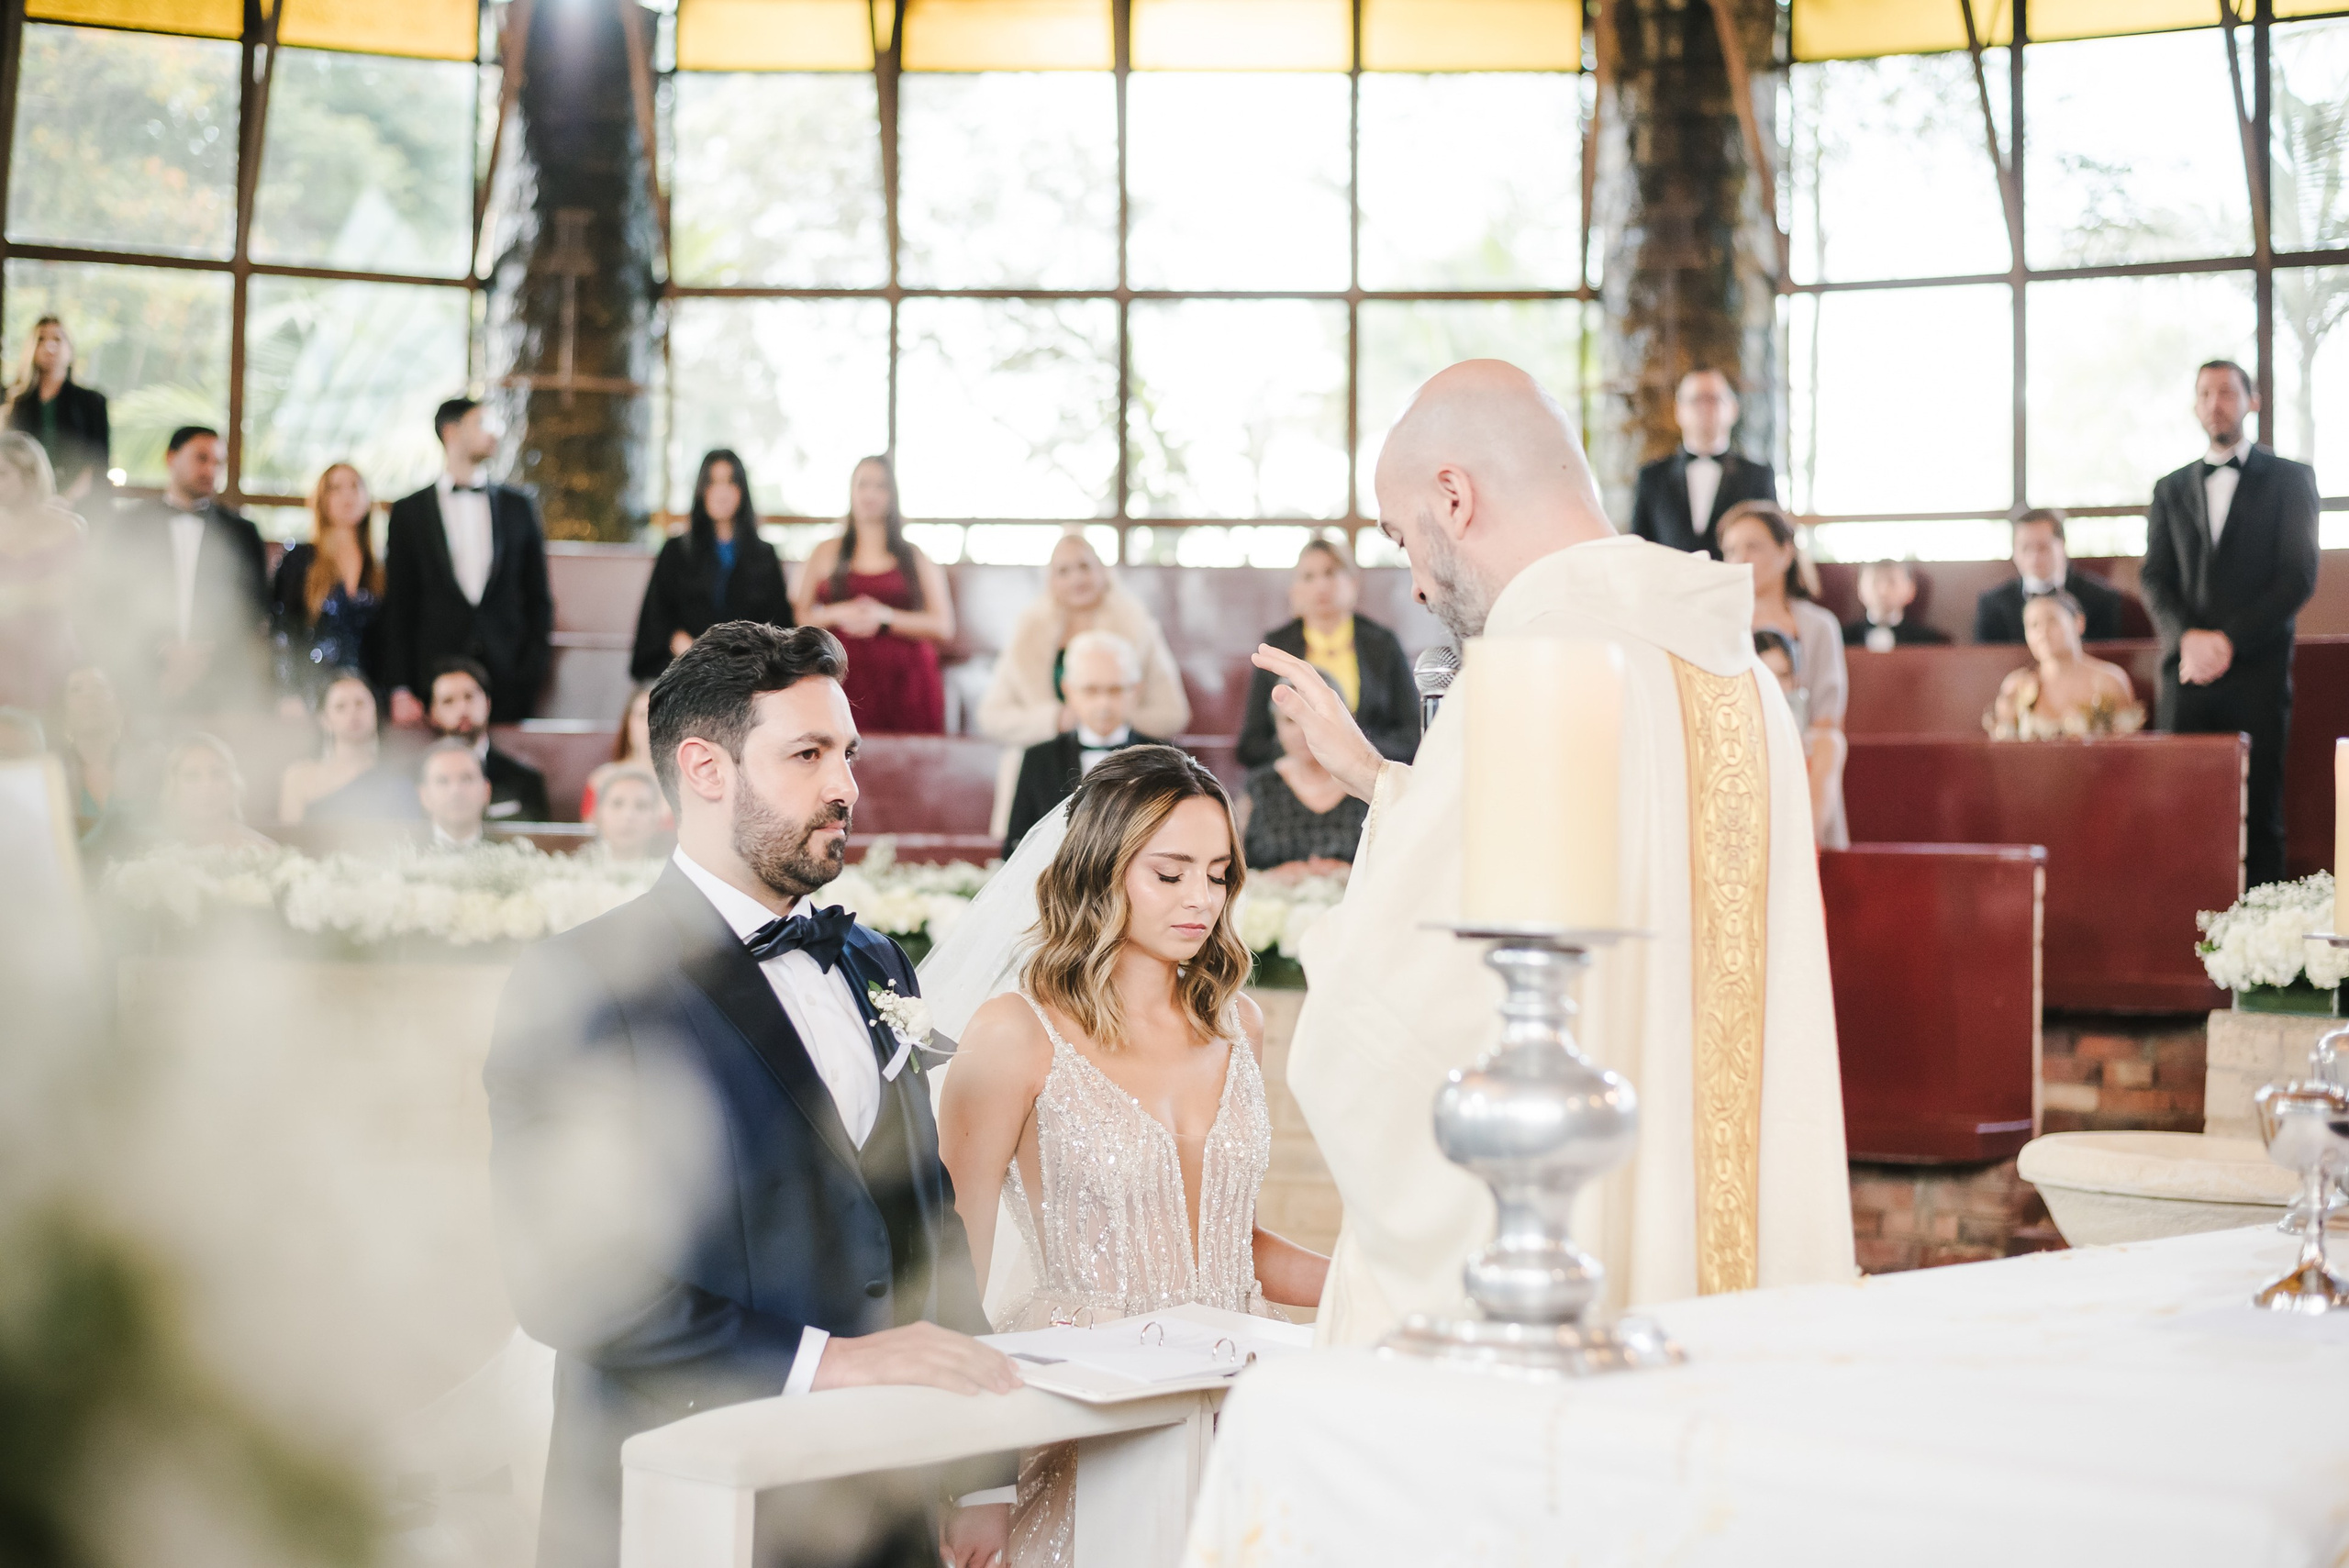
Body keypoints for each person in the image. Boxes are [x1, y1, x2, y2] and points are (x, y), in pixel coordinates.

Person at [1252, 360, 1852, 1343]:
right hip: (1730, 1295)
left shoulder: (1530, 670)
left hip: (1568, 1304)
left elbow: (1396, 1018)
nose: (1410, 578)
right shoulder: (1735, 669)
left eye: (1405, 536)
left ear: (1455, 494)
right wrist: (1387, 783)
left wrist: (1339, 962)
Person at [484, 622, 1017, 1568]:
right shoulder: (588, 981)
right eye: (807, 753)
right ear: (705, 767)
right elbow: (564, 1280)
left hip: (879, 1498)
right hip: (687, 1493)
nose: (845, 785)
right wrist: (828, 1362)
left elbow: (925, 1216)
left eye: (847, 752)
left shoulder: (875, 959)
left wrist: (980, 1470)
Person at [936, 745, 1328, 1561]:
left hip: (1237, 1406)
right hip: (1086, 1404)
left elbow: (1234, 1243)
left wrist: (1378, 1283)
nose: (1202, 900)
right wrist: (976, 1479)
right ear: (1101, 872)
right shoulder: (1015, 1033)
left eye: (1218, 874)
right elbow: (950, 1263)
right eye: (1171, 872)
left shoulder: (1239, 1025)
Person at [2142, 360, 2321, 885]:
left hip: (2258, 674)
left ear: (2252, 400)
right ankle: (2183, 946)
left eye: (2225, 391)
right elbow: (2153, 578)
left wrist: (2227, 641)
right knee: (2179, 812)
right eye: (2204, 393)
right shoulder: (2169, 487)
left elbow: (2298, 577)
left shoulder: (2291, 478)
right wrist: (2188, 640)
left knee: (2260, 813)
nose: (2214, 402)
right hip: (2185, 676)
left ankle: (2262, 954)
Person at [976, 531, 1189, 836]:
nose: (1077, 578)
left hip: (1126, 765)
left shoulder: (1138, 626)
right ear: (1050, 579)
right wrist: (1056, 719)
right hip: (1044, 768)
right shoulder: (1026, 634)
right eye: (1064, 570)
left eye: (1085, 566)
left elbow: (1173, 713)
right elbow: (991, 716)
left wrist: (1110, 714)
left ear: (1103, 571)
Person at [382, 396, 553, 727]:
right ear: (451, 431)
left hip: (507, 675)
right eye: (481, 424)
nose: (494, 434)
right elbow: (400, 603)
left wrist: (530, 670)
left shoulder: (519, 506)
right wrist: (400, 685)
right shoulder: (409, 511)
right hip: (433, 676)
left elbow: (538, 596)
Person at [93, 425, 269, 714]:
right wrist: (160, 652)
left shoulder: (242, 533)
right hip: (141, 679)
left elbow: (255, 608)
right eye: (202, 458)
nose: (211, 470)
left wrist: (203, 658)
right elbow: (110, 601)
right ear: (170, 458)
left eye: (218, 463)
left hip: (220, 685)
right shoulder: (129, 525)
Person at [792, 455, 953, 734]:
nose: (870, 494)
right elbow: (800, 618)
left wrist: (885, 617)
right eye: (863, 485)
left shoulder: (915, 556)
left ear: (892, 496)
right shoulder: (825, 551)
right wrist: (838, 612)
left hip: (907, 676)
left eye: (880, 486)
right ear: (852, 492)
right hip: (840, 670)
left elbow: (943, 625)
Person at [1719, 500, 1847, 850]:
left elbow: (1826, 716)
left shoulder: (1819, 626)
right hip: (1735, 747)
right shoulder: (1716, 625)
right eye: (1730, 550)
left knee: (1830, 745)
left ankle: (1803, 850)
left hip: (1800, 746)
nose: (1739, 559)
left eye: (1752, 547)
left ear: (1785, 553)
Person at [1237, 539, 1419, 771]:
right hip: (1297, 782)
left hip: (1367, 777)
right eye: (1309, 577)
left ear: (1353, 582)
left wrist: (1356, 755)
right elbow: (1251, 745)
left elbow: (1411, 736)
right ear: (1294, 590)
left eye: (1331, 573)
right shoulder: (1276, 645)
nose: (1321, 586)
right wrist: (1308, 754)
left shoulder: (1383, 644)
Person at [630, 450, 793, 681]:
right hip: (686, 671)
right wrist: (696, 655)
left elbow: (780, 626)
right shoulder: (676, 551)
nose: (722, 492)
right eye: (713, 483)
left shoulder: (764, 555)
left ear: (742, 491)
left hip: (748, 675)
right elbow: (657, 618)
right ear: (701, 490)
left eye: (730, 482)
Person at [1001, 629, 1164, 857]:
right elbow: (1017, 844)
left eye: (1115, 690)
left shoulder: (1163, 758)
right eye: (1091, 690)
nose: (1104, 704)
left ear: (1136, 691)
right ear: (1068, 691)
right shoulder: (1039, 758)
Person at [1627, 369, 1778, 556]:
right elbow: (1638, 546)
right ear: (1678, 410)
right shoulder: (1651, 476)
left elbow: (1771, 543)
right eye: (1695, 399)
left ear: (1733, 409)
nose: (1705, 407)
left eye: (1714, 399)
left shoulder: (1758, 476)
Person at [271, 462, 383, 709]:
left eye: (355, 486)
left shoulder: (380, 567)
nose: (347, 495)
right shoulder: (300, 559)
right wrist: (287, 691)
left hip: (369, 692)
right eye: (335, 488)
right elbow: (282, 629)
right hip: (311, 690)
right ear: (322, 499)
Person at [1239, 672, 1368, 877]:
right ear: (1276, 726)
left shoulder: (1367, 784)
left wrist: (1346, 874)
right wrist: (1275, 878)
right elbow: (1234, 869)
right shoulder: (1259, 786)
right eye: (1290, 720)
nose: (1302, 730)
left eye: (1313, 717)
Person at [1985, 592, 2146, 742]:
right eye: (2033, 625)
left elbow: (2128, 750)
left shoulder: (2110, 681)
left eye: (2052, 620)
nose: (2042, 632)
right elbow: (2004, 752)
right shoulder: (2017, 685)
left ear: (2079, 623)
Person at [0, 431, 85, 712]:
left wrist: (10, 596)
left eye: (2, 473)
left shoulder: (68, 527)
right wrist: (34, 592)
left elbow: (67, 595)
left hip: (50, 654)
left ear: (30, 475)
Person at [277, 670, 417, 823]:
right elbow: (287, 842)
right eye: (340, 707)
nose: (353, 713)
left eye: (360, 704)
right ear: (324, 719)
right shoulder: (299, 777)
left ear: (375, 710)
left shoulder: (397, 780)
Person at [1972, 508, 2126, 645]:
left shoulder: (2101, 599)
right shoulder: (1992, 605)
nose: (2034, 557)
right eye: (2025, 548)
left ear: (2062, 544)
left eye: (2043, 547)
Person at [429, 657, 551, 823]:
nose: (462, 709)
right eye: (448, 701)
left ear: (487, 703)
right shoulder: (415, 779)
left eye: (469, 697)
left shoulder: (524, 782)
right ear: (433, 713)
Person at [1753, 629, 1848, 840]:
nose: (1775, 686)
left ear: (1796, 681)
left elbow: (1809, 833)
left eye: (1783, 675)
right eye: (1765, 675)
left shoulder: (1824, 744)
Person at [6, 315, 108, 503]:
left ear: (70, 349)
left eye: (57, 339)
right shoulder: (14, 400)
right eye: (41, 339)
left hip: (77, 501)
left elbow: (97, 461)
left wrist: (64, 500)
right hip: (23, 500)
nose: (50, 347)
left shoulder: (92, 401)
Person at [159, 732, 274, 851]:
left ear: (233, 783)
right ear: (173, 788)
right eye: (192, 776)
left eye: (217, 773)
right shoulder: (156, 851)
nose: (207, 785)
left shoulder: (261, 851)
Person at [579, 683, 670, 826]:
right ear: (628, 723)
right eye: (641, 716)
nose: (650, 725)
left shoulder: (691, 782)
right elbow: (592, 839)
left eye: (659, 716)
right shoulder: (601, 780)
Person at [57, 664, 129, 835]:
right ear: (64, 712)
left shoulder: (150, 763)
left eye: (99, 686)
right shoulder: (53, 773)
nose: (90, 696)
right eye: (76, 690)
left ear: (118, 704)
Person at [1842, 560, 1950, 651]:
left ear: (1911, 589)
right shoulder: (1841, 638)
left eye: (1891, 582)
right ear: (1859, 589)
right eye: (1875, 582)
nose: (1883, 590)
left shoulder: (1930, 643)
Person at [417, 739, 491, 849]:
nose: (456, 791)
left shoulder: (516, 851)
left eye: (466, 779)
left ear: (486, 791)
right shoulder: (399, 853)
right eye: (442, 781)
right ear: (424, 796)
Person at [586, 764, 666, 862]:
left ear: (656, 819)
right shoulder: (574, 872)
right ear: (598, 815)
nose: (628, 816)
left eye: (641, 806)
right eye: (617, 804)